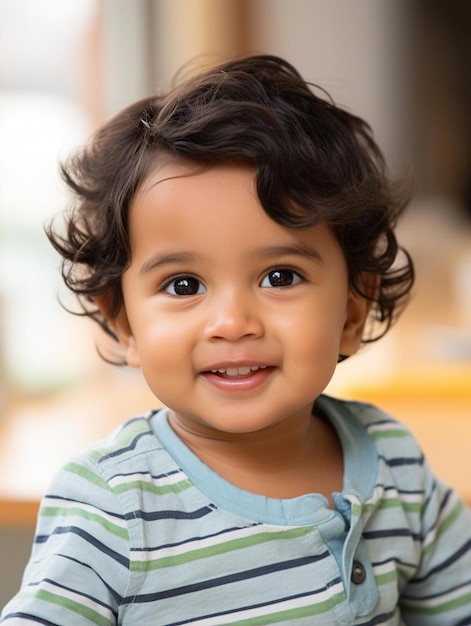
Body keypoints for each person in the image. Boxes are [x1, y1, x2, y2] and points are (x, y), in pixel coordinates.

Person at [2, 54, 470, 625]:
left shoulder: (395, 464)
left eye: (280, 277)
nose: (232, 321)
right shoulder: (113, 507)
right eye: (183, 284)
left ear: (353, 307)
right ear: (126, 325)